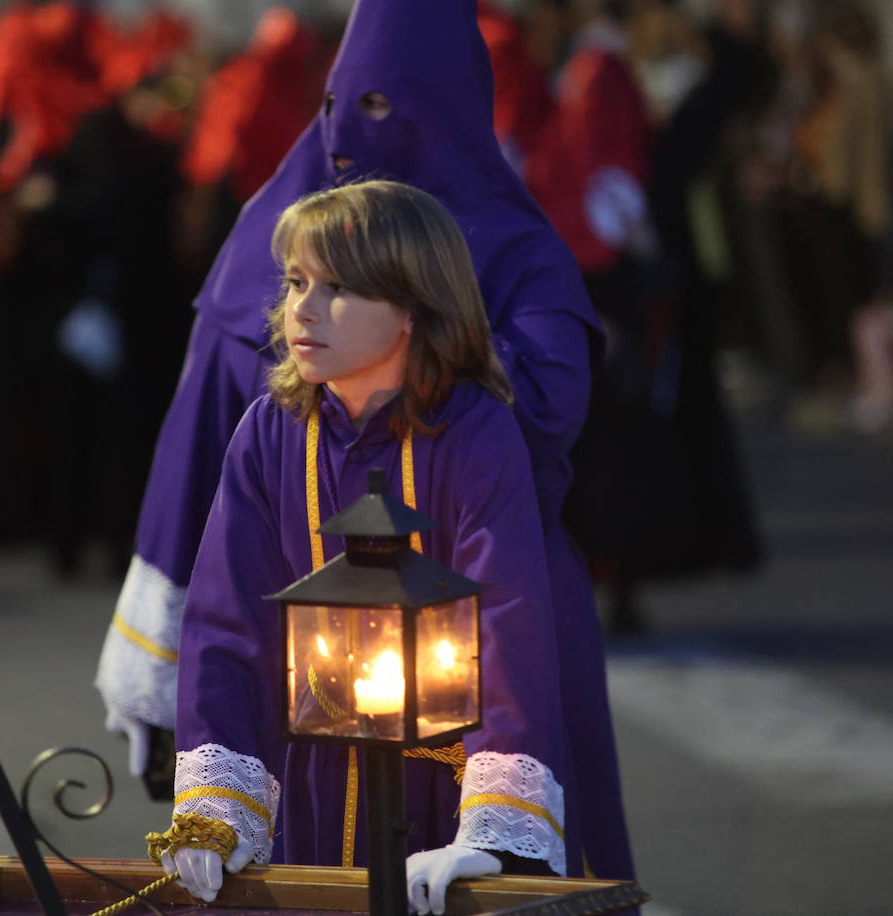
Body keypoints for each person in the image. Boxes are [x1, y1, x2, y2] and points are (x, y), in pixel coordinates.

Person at [97, 0, 634, 882]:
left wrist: (428, 327)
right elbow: (213, 473)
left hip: (494, 612)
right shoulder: (276, 290)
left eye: (380, 105)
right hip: (318, 645)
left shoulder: (516, 276)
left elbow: (536, 437)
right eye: (336, 101)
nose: (348, 131)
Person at [162, 180, 567, 916]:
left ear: (413, 306)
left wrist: (492, 826)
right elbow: (227, 623)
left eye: (339, 288)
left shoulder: (476, 432)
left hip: (444, 785)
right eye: (294, 282)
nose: (303, 310)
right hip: (311, 776)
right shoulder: (270, 430)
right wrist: (218, 804)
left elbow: (506, 621)